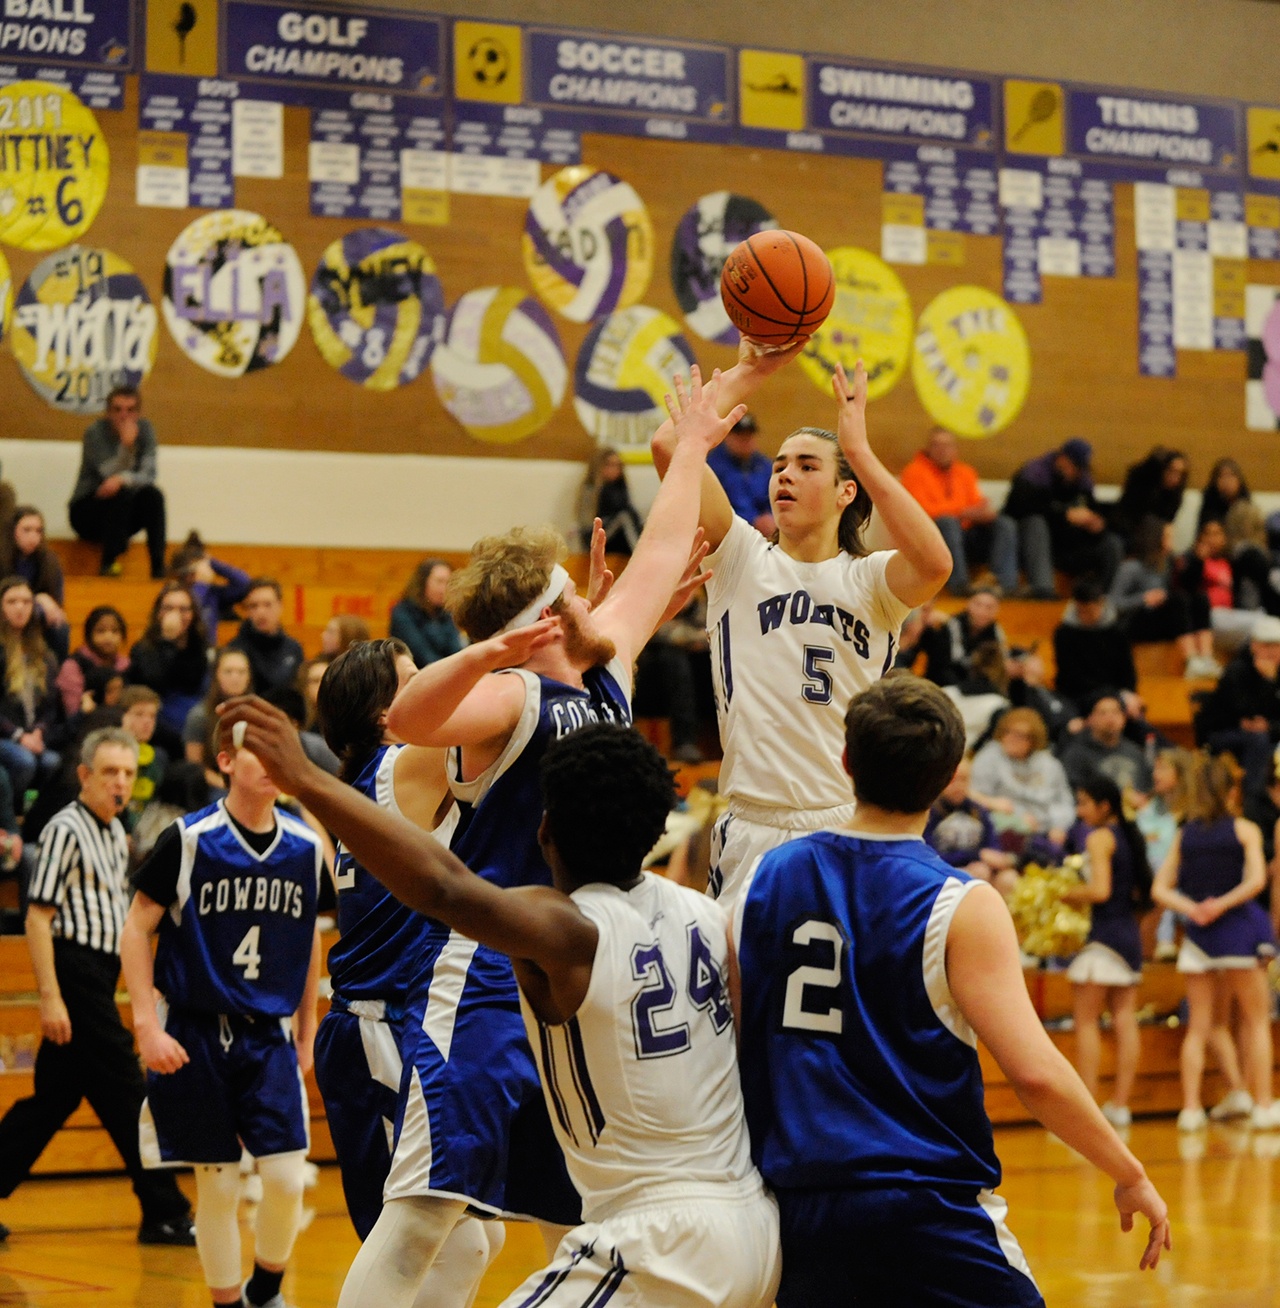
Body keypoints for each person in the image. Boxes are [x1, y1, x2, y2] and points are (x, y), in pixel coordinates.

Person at [344, 364, 738, 1308]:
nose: (596, 599)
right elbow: (404, 717)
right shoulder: (509, 698)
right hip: (487, 974)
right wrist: (484, 651)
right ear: (546, 617)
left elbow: (659, 553)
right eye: (573, 594)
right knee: (424, 1215)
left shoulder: (609, 675)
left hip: (591, 969)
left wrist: (689, 449)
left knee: (579, 1215)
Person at [219, 702, 782, 1308]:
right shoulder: (710, 917)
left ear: (545, 831)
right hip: (755, 1222)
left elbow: (443, 887)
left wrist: (307, 780)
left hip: (661, 1242)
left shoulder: (573, 931)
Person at [733, 675, 1170, 1307]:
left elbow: (737, 1026)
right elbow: (1036, 1074)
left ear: (847, 760)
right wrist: (1128, 1172)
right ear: (947, 778)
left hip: (800, 1207)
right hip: (924, 1202)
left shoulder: (768, 874)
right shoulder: (959, 901)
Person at [652, 346, 952, 908]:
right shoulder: (741, 557)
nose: (785, 474)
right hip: (752, 820)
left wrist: (859, 451)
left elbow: (936, 563)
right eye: (779, 465)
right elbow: (671, 446)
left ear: (846, 490)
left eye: (807, 466)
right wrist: (751, 372)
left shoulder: (870, 582)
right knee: (743, 990)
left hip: (845, 821)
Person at [310, 638, 501, 1304]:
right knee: (423, 1236)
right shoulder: (398, 770)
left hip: (399, 1025)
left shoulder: (377, 782)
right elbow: (503, 716)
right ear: (383, 713)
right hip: (375, 1031)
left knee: (473, 1237)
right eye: (415, 679)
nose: (432, 686)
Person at [121, 726, 323, 1308]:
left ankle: (267, 1287)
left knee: (285, 1180)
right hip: (195, 1031)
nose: (269, 763)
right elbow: (137, 928)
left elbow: (308, 941)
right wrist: (146, 1024)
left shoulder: (306, 849)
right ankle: (228, 1303)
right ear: (227, 761)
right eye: (254, 750)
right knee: (220, 1186)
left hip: (268, 1035)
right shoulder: (188, 840)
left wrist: (307, 1031)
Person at [0, 729, 194, 1244]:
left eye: (128, 774)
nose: (121, 783)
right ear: (85, 775)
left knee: (54, 1099)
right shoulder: (66, 828)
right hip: (74, 971)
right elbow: (38, 918)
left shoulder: (114, 832)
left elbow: (120, 920)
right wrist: (50, 997)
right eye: (110, 772)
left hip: (102, 973)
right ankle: (165, 1209)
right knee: (128, 1089)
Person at [1153, 753, 1280, 1131]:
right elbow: (1257, 880)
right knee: (1257, 1022)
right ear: (1231, 790)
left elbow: (1161, 889)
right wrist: (1219, 905)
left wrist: (1193, 909)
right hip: (1238, 933)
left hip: (1199, 938)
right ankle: (1263, 1105)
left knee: (1200, 1026)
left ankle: (1190, 1110)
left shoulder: (1184, 833)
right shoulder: (1245, 830)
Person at [1061, 774, 1153, 1130]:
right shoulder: (1129, 837)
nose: (1079, 810)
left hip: (1101, 937)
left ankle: (1088, 1114)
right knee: (1124, 1019)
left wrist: (1064, 893)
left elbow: (1099, 890)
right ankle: (1120, 1106)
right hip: (1127, 936)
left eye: (1084, 802)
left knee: (1086, 1022)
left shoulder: (1099, 837)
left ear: (1104, 806)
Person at [899, 426, 1018, 596]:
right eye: (937, 445)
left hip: (966, 534)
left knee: (1004, 523)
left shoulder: (965, 472)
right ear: (928, 448)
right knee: (948, 523)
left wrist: (983, 513)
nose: (942, 451)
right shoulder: (914, 472)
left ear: (955, 449)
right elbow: (919, 512)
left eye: (947, 446)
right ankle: (960, 586)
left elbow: (976, 504)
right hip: (934, 538)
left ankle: (1003, 585)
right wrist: (962, 511)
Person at [67, 386, 167, 578]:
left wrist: (125, 478)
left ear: (139, 413)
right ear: (108, 412)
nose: (124, 416)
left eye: (130, 410)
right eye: (118, 409)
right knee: (120, 492)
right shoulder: (95, 433)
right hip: (88, 510)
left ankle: (158, 566)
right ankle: (108, 564)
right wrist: (126, 447)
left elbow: (149, 473)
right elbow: (108, 476)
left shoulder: (146, 430)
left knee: (153, 495)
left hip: (123, 515)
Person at [1002, 439, 1123, 596]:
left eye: (1081, 468)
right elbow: (1019, 507)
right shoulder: (1034, 473)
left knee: (1112, 543)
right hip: (1032, 545)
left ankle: (1102, 598)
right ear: (1062, 458)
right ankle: (1043, 589)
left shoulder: (1083, 482)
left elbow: (1091, 509)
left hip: (1068, 545)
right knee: (1035, 523)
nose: (1076, 472)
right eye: (1074, 466)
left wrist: (1095, 526)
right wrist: (1065, 515)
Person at [1111, 517, 1218, 679]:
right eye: (1168, 537)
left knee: (1200, 597)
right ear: (1155, 539)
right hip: (1137, 622)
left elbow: (1187, 588)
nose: (1171, 542)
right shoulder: (1131, 567)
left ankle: (1206, 658)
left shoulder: (1168, 564)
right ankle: (1191, 662)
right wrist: (1144, 598)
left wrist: (1198, 560)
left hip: (1163, 620)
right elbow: (1113, 603)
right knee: (1178, 600)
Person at [1194, 615, 1280, 799]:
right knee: (1258, 740)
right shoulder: (1236, 671)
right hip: (1223, 732)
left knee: (1261, 737)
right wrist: (1268, 682)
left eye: (1277, 646)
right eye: (1267, 645)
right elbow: (1245, 713)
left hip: (1264, 733)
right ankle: (1254, 801)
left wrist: (1270, 726)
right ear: (1254, 645)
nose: (1273, 652)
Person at [969, 707, 1076, 856]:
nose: (1012, 738)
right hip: (1007, 827)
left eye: (1020, 735)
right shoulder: (989, 757)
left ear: (1033, 740)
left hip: (1048, 829)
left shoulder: (1049, 764)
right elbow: (974, 795)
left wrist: (1059, 826)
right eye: (1008, 732)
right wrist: (1016, 818)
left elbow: (1064, 801)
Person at [0, 577, 65, 807]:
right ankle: (10, 815)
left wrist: (38, 731)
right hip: (6, 736)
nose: (20, 607)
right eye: (12, 601)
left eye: (26, 601)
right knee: (24, 761)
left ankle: (34, 822)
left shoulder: (43, 653)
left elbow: (50, 707)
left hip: (32, 736)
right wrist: (19, 736)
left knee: (54, 762)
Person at [127, 582, 210, 751]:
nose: (176, 615)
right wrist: (167, 641)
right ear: (158, 613)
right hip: (160, 725)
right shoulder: (142, 649)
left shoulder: (200, 648)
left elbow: (192, 680)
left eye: (183, 609)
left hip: (194, 722)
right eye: (169, 608)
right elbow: (155, 682)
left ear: (193, 614)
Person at [924, 755, 1017, 894]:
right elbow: (930, 856)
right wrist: (975, 856)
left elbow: (992, 845)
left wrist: (998, 859)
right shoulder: (930, 813)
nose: (958, 786)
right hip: (944, 870)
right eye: (952, 780)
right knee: (977, 875)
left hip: (980, 867)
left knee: (1009, 879)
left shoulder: (977, 811)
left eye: (964, 779)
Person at [1137, 748, 1198, 961]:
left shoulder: (1195, 812)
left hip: (1187, 880)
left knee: (1165, 872)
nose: (1155, 774)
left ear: (1181, 773)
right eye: (1155, 768)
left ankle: (1168, 940)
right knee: (1159, 869)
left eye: (1162, 768)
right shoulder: (1147, 808)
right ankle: (1163, 940)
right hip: (1153, 879)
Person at [1052, 580, 1138, 714]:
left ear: (1101, 604)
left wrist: (1128, 694)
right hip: (1077, 696)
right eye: (1081, 611)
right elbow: (1070, 676)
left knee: (1135, 713)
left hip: (1113, 696)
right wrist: (1112, 694)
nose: (1085, 617)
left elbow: (1127, 671)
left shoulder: (1116, 632)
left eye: (1090, 611)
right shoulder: (1064, 633)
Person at [0, 507, 68, 660]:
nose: (33, 536)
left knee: (60, 626)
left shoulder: (50, 561)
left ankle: (56, 674)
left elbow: (56, 602)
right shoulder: (2, 557)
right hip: (4, 616)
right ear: (13, 532)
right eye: (27, 530)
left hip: (36, 618)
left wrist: (39, 603)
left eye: (38, 531)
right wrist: (37, 599)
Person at [1057, 691, 1154, 795]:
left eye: (1116, 712)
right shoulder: (1075, 754)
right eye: (1103, 713)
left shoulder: (1134, 752)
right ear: (1090, 719)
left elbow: (1146, 789)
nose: (1110, 718)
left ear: (1124, 718)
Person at [908, 587, 1006, 688]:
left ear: (997, 610)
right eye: (978, 604)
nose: (982, 611)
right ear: (968, 603)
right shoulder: (949, 625)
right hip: (943, 686)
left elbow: (997, 668)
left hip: (977, 689)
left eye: (989, 607)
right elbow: (944, 668)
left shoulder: (996, 632)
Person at [169, 531, 253, 642]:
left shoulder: (212, 593)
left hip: (208, 651)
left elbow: (244, 584)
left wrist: (212, 563)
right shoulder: (172, 595)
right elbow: (192, 608)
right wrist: (201, 583)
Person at [229, 580, 305, 696]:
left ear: (280, 606)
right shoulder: (235, 650)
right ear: (248, 611)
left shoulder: (294, 649)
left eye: (267, 605)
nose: (261, 612)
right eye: (254, 606)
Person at [706, 410, 774, 537]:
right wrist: (753, 520)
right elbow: (715, 509)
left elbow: (774, 495)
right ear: (727, 437)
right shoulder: (713, 467)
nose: (746, 441)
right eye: (741, 437)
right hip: (729, 534)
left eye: (749, 436)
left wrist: (772, 518)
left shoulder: (763, 464)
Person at [55, 606, 129, 719]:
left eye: (115, 631)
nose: (108, 637)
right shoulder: (73, 666)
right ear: (89, 635)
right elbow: (73, 713)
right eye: (101, 631)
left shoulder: (127, 665)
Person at [185, 648, 254, 768]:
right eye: (228, 671)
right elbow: (195, 767)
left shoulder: (259, 713)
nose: (235, 677)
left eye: (241, 672)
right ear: (216, 675)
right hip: (215, 782)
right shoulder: (199, 716)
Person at [1109, 447, 1189, 549]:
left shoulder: (1175, 496)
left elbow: (1168, 522)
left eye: (1180, 474)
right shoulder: (1143, 486)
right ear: (1162, 469)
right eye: (1171, 471)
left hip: (1152, 541)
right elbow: (1131, 516)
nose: (1175, 477)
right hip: (1125, 532)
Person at [389, 561, 464, 669]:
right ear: (423, 583)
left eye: (448, 582)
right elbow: (423, 656)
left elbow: (456, 652)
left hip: (445, 674)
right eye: (439, 581)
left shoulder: (446, 613)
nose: (444, 589)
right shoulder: (403, 613)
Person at [575, 446, 644, 554]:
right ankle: (640, 555)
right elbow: (586, 525)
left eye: (617, 465)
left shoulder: (620, 488)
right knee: (624, 517)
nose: (614, 469)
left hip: (616, 536)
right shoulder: (591, 489)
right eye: (609, 464)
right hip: (595, 535)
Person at [120, 686, 167, 828]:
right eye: (139, 714)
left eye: (152, 716)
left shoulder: (158, 757)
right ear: (123, 716)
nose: (147, 721)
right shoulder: (110, 753)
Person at [1197, 457, 1251, 531]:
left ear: (1239, 480)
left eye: (1231, 476)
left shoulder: (1246, 504)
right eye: (1222, 476)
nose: (1227, 481)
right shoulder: (1209, 503)